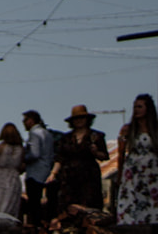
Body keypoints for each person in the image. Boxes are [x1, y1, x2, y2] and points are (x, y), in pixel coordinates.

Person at [48, 104, 109, 215]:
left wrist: (95, 152)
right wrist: (53, 173)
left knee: (90, 208)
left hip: (89, 176)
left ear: (87, 119)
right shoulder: (65, 138)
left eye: (82, 118)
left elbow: (104, 156)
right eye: (76, 118)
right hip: (69, 177)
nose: (79, 121)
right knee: (68, 208)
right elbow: (60, 157)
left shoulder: (96, 135)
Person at [115, 92, 158, 225]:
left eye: (140, 107)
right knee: (131, 200)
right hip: (133, 172)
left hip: (152, 172)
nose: (136, 110)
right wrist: (120, 173)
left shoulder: (155, 130)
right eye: (135, 107)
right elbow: (121, 152)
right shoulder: (128, 129)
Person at [21, 109, 57, 225]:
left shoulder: (34, 133)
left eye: (25, 120)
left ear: (30, 121)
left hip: (35, 173)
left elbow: (34, 154)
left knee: (34, 205)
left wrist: (23, 158)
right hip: (47, 170)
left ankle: (36, 228)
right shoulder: (47, 133)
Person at [0, 123, 25, 217]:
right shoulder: (21, 149)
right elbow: (22, 166)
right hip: (14, 177)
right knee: (11, 204)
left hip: (0, 177)